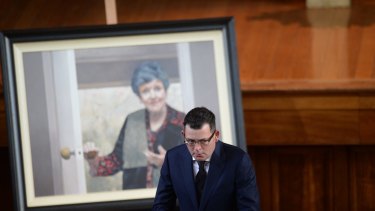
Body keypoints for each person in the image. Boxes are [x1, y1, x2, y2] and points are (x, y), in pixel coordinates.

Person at [84, 61, 185, 189]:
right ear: (139, 97)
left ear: (165, 90)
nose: (153, 96)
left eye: (157, 88)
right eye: (146, 91)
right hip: (136, 200)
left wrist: (169, 164)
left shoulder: (184, 122)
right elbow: (116, 161)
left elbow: (199, 166)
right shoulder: (132, 121)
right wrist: (93, 160)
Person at [152, 107, 260, 211]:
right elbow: (161, 205)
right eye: (191, 141)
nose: (197, 148)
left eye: (203, 141)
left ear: (216, 135)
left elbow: (249, 208)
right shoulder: (172, 159)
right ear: (183, 135)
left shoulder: (239, 160)